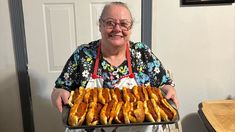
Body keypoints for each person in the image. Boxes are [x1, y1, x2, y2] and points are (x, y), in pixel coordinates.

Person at [51, 2, 179, 132]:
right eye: (110, 23)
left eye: (124, 24)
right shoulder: (83, 54)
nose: (117, 29)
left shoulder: (142, 53)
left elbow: (164, 84)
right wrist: (59, 93)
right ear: (100, 25)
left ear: (130, 28)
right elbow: (61, 88)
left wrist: (169, 90)